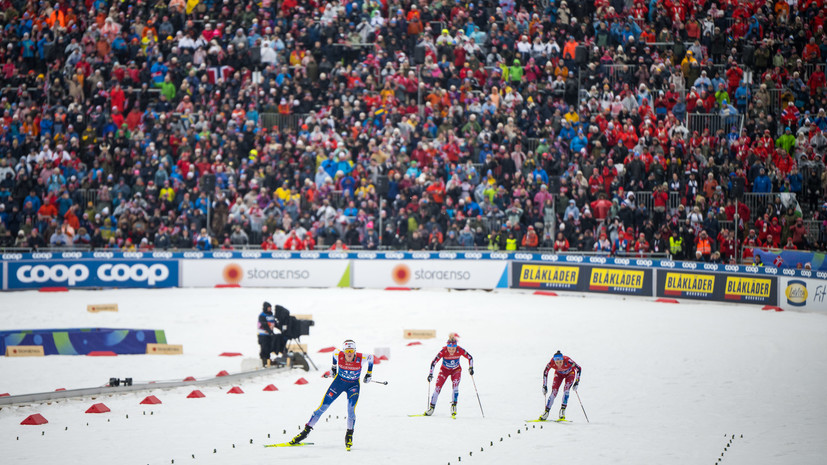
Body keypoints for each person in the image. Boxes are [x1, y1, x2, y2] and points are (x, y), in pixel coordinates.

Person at [290, 340, 374, 450]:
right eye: (347, 351)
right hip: (338, 383)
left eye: (351, 351)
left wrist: (369, 374)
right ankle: (305, 432)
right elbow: (334, 352)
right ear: (344, 351)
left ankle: (349, 435)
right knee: (323, 407)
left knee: (351, 410)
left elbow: (371, 357)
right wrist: (334, 367)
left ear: (355, 351)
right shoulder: (339, 355)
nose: (349, 353)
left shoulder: (361, 357)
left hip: (353, 386)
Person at [424, 335, 474, 418]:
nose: (451, 351)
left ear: (456, 347)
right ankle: (431, 408)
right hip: (444, 371)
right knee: (437, 388)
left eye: (453, 349)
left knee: (455, 387)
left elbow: (470, 358)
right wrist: (430, 374)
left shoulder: (460, 350)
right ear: (447, 347)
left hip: (456, 370)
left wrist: (471, 368)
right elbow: (434, 362)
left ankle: (454, 407)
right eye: (449, 349)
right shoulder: (443, 351)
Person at [539, 351, 582, 421]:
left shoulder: (568, 360)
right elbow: (545, 372)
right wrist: (544, 385)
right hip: (559, 374)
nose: (559, 364)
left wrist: (577, 382)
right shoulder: (551, 362)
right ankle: (546, 412)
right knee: (554, 391)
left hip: (570, 373)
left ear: (563, 360)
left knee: (566, 389)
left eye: (560, 362)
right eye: (557, 363)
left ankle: (562, 410)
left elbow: (579, 368)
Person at [257, 302, 276, 367]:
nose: (269, 309)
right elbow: (264, 324)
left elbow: (274, 323)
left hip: (269, 334)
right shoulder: (262, 315)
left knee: (269, 348)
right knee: (264, 348)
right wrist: (269, 331)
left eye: (270, 308)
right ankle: (263, 360)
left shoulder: (271, 315)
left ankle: (268, 360)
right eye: (268, 308)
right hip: (263, 334)